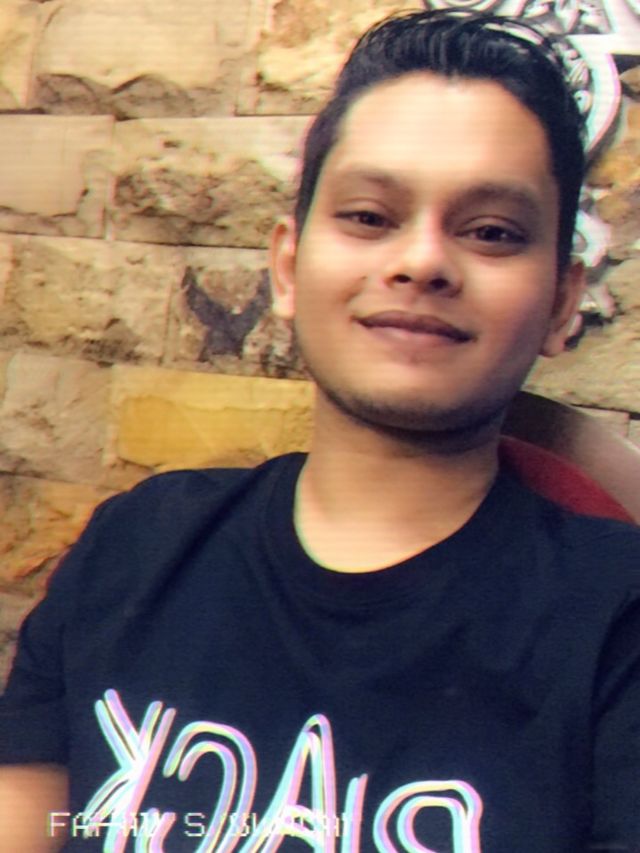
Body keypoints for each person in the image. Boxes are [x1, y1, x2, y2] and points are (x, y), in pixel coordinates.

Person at [1, 8, 639, 851]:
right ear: (289, 268)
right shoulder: (134, 546)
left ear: (561, 301)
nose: (422, 261)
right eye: (370, 216)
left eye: (492, 232)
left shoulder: (618, 620)